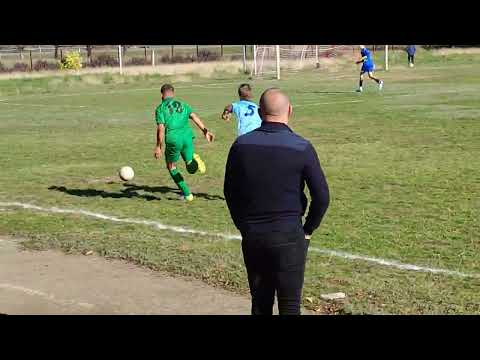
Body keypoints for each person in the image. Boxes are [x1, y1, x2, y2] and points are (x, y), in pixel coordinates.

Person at [224, 88, 330, 315]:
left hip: (254, 236)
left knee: (260, 304)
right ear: (290, 111)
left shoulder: (240, 146)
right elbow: (321, 197)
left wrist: (244, 225)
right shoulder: (302, 146)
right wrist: (308, 230)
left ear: (260, 113)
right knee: (290, 305)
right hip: (289, 236)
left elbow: (230, 193)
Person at [154, 84, 214, 202]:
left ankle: (187, 194)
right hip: (187, 136)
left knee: (171, 166)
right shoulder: (183, 104)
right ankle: (193, 158)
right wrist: (205, 131)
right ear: (173, 93)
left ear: (162, 95)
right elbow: (194, 116)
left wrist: (158, 147)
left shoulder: (160, 108)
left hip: (173, 139)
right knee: (190, 168)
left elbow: (160, 129)